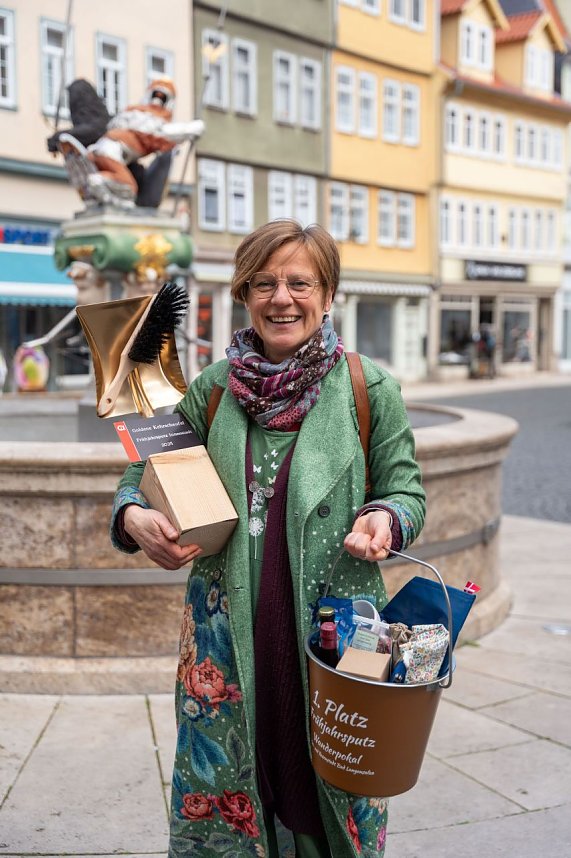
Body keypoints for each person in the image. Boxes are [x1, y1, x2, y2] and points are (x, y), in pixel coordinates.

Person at [110, 220, 426, 857]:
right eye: (265, 283)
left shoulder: (368, 389)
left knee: (330, 789)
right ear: (245, 295)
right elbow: (140, 476)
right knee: (233, 786)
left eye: (300, 283)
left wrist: (386, 520)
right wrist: (132, 518)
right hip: (225, 641)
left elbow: (407, 491)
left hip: (338, 634)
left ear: (328, 294)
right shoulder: (213, 389)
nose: (282, 297)